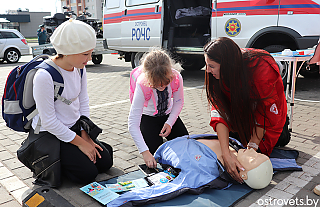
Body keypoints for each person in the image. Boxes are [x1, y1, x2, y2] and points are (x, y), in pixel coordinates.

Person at [31, 19, 113, 185]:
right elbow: (49, 122)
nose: (90, 58)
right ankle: (55, 162)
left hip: (74, 127)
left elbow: (83, 102)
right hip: (50, 133)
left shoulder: (80, 69)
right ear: (67, 51)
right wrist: (81, 144)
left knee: (105, 162)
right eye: (85, 54)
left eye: (91, 53)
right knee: (87, 174)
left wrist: (85, 133)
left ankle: (76, 155)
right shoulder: (44, 76)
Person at [204, 37, 288, 183]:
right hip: (242, 112)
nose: (207, 70)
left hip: (265, 113)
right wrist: (225, 153)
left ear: (227, 66)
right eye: (206, 65)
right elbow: (219, 110)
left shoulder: (261, 68)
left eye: (211, 66)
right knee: (230, 144)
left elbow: (265, 111)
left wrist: (253, 147)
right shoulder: (215, 72)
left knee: (276, 140)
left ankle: (283, 129)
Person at [106, 134, 273, 207]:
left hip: (168, 149)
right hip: (186, 139)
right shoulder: (238, 147)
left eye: (253, 158)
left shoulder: (206, 174)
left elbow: (171, 188)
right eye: (258, 154)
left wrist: (125, 199)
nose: (253, 152)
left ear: (242, 173)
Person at [128, 48, 189, 168]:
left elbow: (178, 102)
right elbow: (132, 123)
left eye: (166, 83)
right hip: (148, 117)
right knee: (157, 157)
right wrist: (145, 153)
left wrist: (170, 123)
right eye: (156, 84)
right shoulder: (142, 83)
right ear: (148, 78)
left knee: (186, 146)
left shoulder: (176, 77)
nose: (161, 87)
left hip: (168, 113)